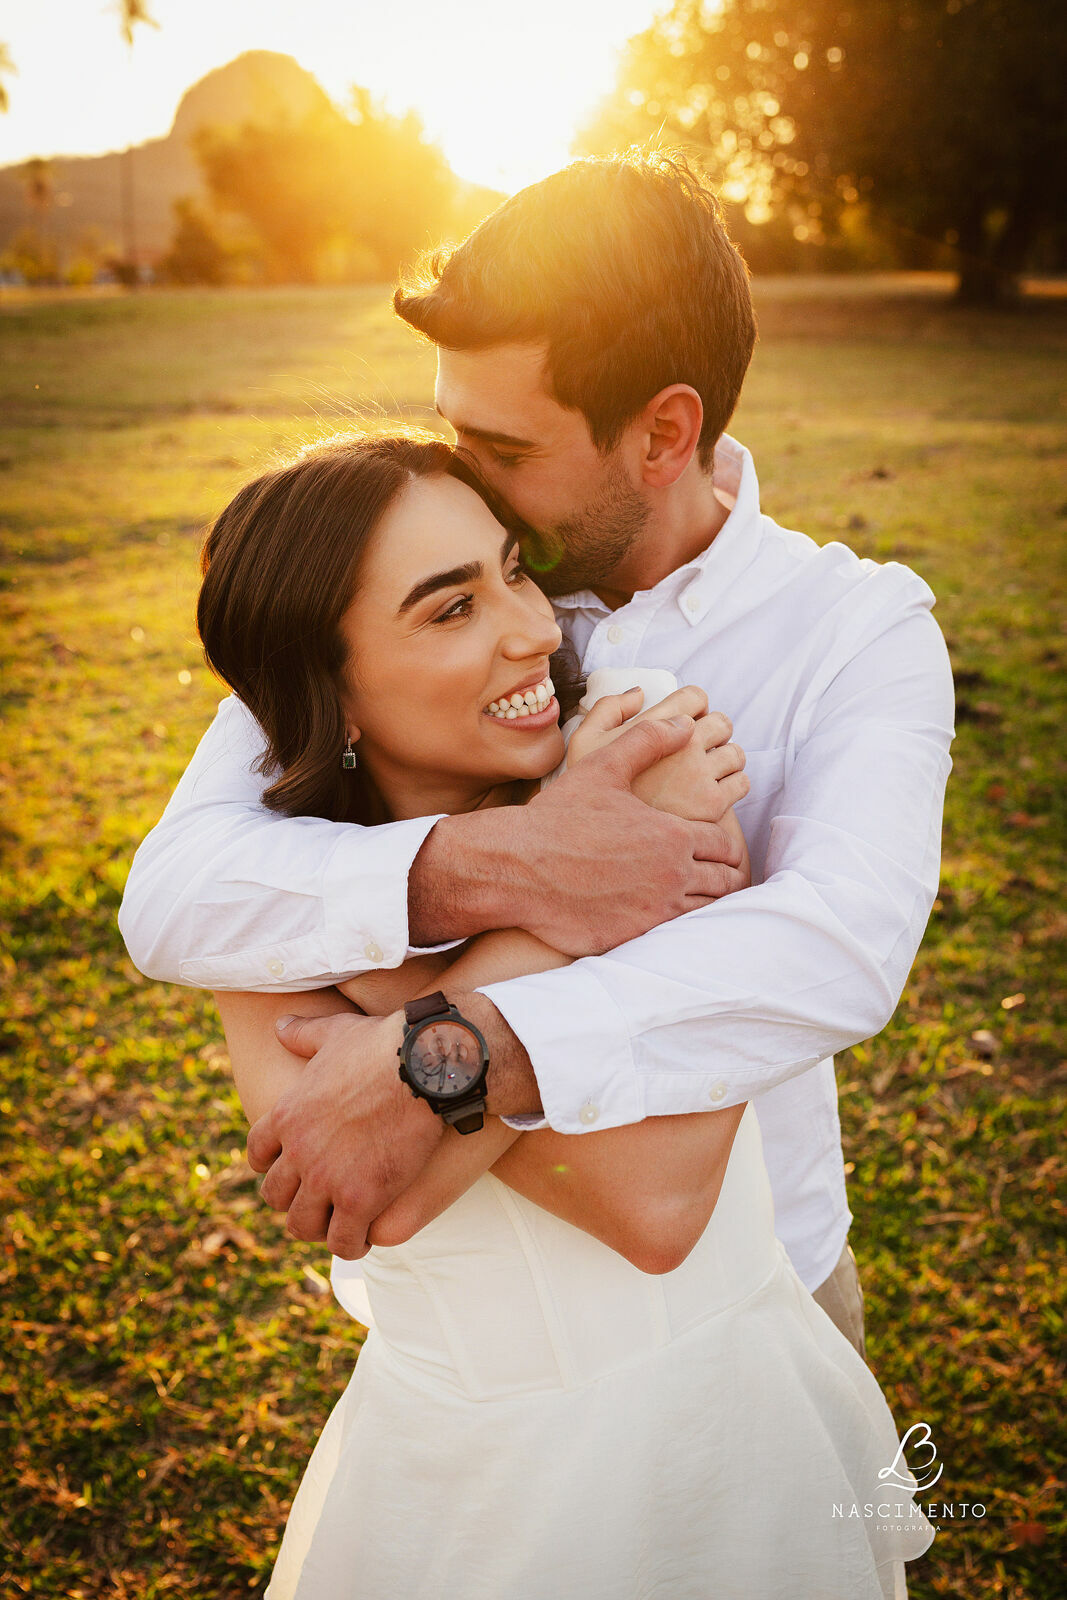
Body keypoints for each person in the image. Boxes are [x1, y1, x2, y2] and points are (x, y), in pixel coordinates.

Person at [119, 151, 955, 1359]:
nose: (467, 478)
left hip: (761, 1289)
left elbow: (834, 949)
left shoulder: (856, 632)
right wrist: (508, 861)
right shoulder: (422, 570)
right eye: (456, 430)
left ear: (663, 433)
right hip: (477, 1325)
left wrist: (446, 1052)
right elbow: (178, 888)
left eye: (503, 450)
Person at [193, 428, 934, 1597]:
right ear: (328, 695)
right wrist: (563, 902)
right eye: (450, 610)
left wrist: (387, 1026)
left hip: (720, 1443)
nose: (539, 628)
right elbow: (358, 1199)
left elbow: (657, 1201)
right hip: (452, 1480)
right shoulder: (257, 904)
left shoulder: (643, 750)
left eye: (512, 569)